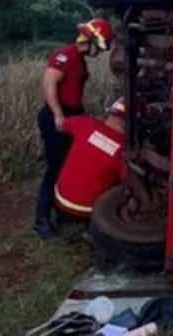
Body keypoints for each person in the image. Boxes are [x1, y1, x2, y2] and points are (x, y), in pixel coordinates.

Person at [33, 17, 116, 239]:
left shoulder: (79, 60)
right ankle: (41, 220)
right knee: (56, 167)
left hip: (72, 114)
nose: (98, 53)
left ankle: (63, 214)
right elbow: (49, 83)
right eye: (98, 47)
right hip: (56, 116)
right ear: (90, 40)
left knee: (69, 164)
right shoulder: (66, 55)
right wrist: (59, 115)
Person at [53, 97, 128, 223]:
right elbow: (127, 180)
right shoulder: (124, 149)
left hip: (59, 199)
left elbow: (61, 126)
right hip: (87, 211)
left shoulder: (86, 124)